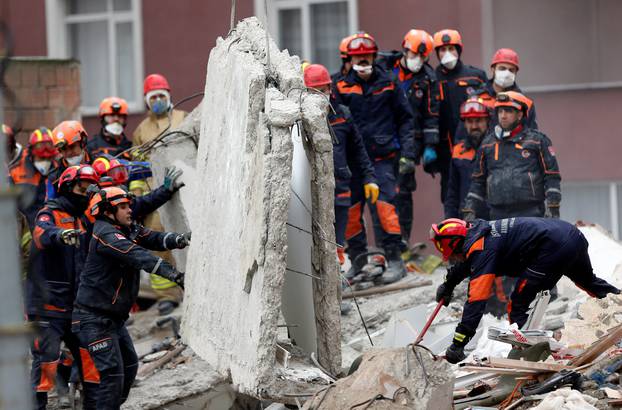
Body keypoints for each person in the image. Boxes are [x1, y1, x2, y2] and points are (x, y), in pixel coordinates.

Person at [430, 217, 621, 363]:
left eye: (452, 254)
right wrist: (448, 284)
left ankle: (527, 352)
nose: (454, 258)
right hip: (573, 235)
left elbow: (476, 300)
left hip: (552, 248)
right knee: (590, 283)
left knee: (517, 305)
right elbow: (466, 262)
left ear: (456, 243)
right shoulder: (479, 233)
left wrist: (458, 343)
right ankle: (619, 305)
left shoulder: (483, 249)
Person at [72, 186, 189, 408]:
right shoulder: (106, 234)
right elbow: (138, 256)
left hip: (112, 320)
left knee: (129, 368)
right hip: (93, 320)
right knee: (112, 376)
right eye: (123, 207)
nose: (129, 211)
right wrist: (174, 275)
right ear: (108, 212)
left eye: (128, 205)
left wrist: (180, 239)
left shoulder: (126, 228)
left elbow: (152, 238)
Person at [334, 32, 418, 284]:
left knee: (385, 205)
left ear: (374, 56)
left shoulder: (389, 83)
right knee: (351, 210)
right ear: (347, 60)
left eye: (367, 57)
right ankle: (358, 259)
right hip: (352, 163)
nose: (363, 62)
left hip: (383, 158)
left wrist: (408, 154)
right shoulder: (338, 86)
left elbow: (406, 120)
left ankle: (394, 259)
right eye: (357, 58)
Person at [27, 164, 100, 409]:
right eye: (82, 188)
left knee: (90, 360)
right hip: (47, 307)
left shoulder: (84, 216)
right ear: (68, 187)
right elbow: (41, 233)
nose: (86, 193)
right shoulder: (49, 213)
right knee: (46, 364)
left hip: (76, 306)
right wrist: (59, 234)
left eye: (89, 189)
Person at [303, 63, 377, 266]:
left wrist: (370, 177)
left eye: (324, 89)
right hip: (315, 188)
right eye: (314, 91)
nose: (321, 95)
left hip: (342, 185)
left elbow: (358, 149)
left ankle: (339, 275)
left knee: (339, 239)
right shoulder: (301, 118)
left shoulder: (342, 114)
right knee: (319, 237)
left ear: (330, 89)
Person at [377, 28, 440, 246]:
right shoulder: (384, 65)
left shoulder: (428, 79)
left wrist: (430, 146)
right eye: (414, 54)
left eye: (422, 56)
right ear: (405, 50)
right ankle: (386, 243)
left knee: (403, 191)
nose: (417, 60)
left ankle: (402, 239)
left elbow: (432, 114)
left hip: (409, 143)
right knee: (382, 192)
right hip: (382, 137)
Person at [131, 73, 188, 314]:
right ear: (146, 100)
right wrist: (138, 197)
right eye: (152, 97)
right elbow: (136, 170)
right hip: (156, 194)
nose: (157, 101)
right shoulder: (141, 131)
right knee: (156, 235)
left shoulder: (183, 118)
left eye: (160, 96)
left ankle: (194, 284)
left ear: (168, 96)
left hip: (186, 186)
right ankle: (168, 295)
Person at [463, 91, 561, 220]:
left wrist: (553, 207)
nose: (503, 116)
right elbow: (478, 181)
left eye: (508, 111)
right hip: (497, 216)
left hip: (532, 214)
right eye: (500, 111)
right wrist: (469, 210)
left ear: (520, 114)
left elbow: (552, 176)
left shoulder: (538, 141)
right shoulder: (487, 144)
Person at [433, 29, 487, 202]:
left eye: (451, 48)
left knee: (479, 189)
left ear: (459, 50)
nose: (447, 53)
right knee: (451, 194)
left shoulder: (476, 76)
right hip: (445, 150)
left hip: (475, 145)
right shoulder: (432, 79)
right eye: (442, 49)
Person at [444, 97, 490, 219]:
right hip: (466, 218)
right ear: (464, 123)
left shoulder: (496, 149)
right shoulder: (458, 151)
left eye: (478, 120)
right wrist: (449, 220)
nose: (474, 126)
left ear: (487, 121)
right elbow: (452, 193)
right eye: (469, 121)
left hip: (493, 220)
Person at [470, 48, 538, 130]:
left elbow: (533, 137)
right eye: (502, 68)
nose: (506, 74)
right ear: (493, 69)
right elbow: (464, 134)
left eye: (511, 70)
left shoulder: (525, 103)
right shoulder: (476, 98)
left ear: (516, 73)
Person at [9, 127, 58, 230]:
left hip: (51, 229)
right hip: (25, 230)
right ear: (31, 153)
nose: (45, 162)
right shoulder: (16, 170)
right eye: (41, 158)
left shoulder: (58, 170)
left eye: (48, 158)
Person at [48, 120, 92, 199]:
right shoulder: (54, 178)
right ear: (59, 151)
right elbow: (50, 205)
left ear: (83, 142)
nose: (68, 153)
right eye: (64, 149)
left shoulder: (99, 164)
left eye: (72, 147)